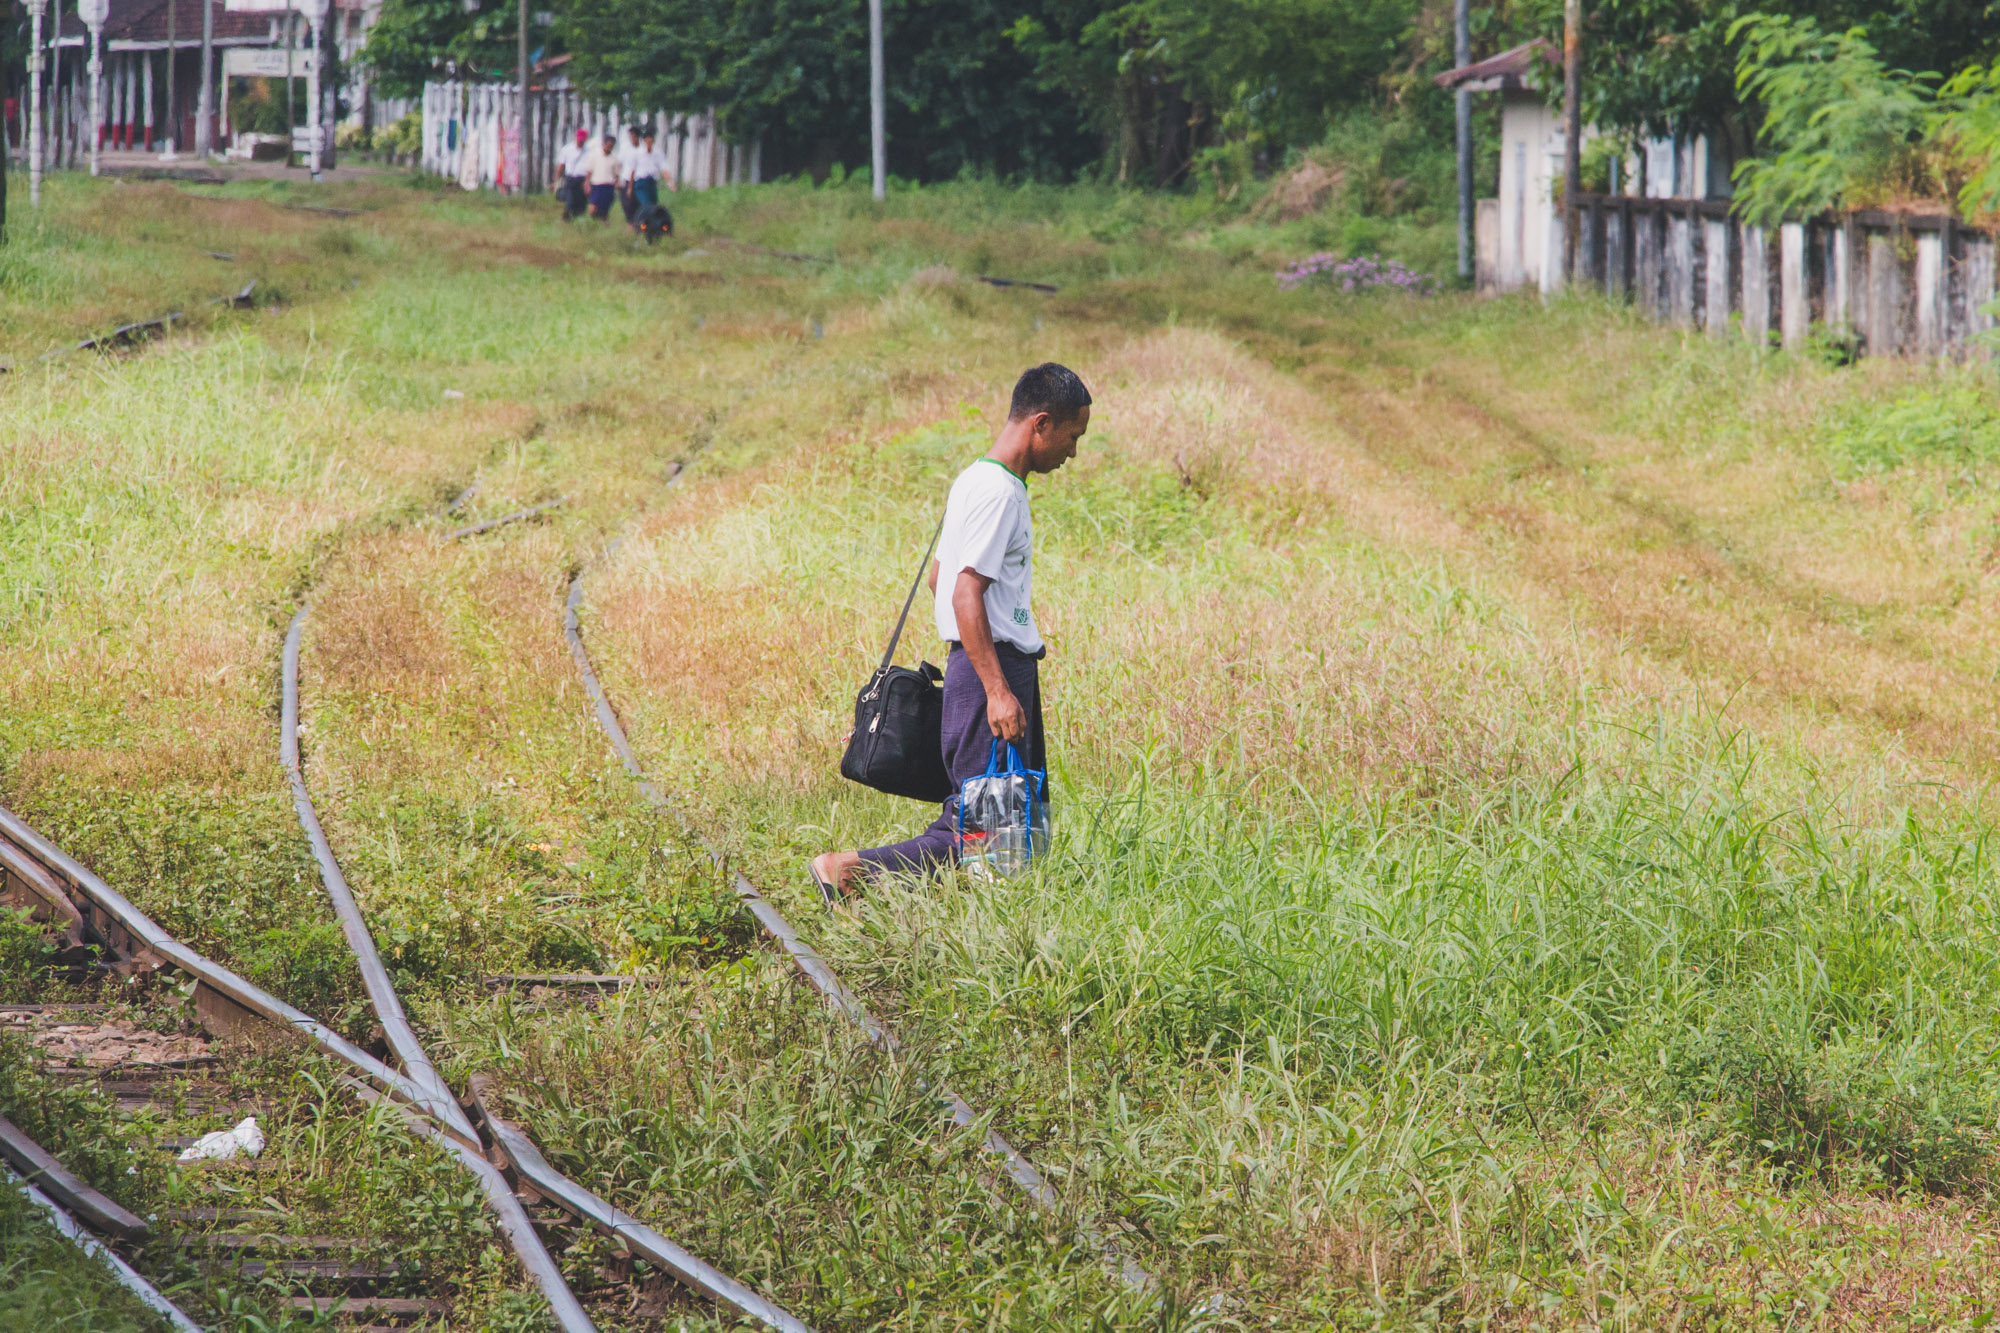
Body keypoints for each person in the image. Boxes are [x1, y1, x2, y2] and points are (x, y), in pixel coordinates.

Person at [810, 364, 1093, 901]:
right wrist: (996, 688)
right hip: (992, 670)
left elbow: (942, 577)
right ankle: (848, 870)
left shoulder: (974, 479)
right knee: (982, 830)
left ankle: (988, 927)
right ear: (1042, 423)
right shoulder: (1001, 494)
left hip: (981, 664)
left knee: (1010, 821)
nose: (1072, 453)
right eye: (1072, 437)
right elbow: (964, 593)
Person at [580, 132, 621, 221]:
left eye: (611, 146)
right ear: (603, 144)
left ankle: (602, 224)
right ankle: (591, 222)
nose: (609, 148)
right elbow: (589, 171)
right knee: (593, 208)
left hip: (608, 186)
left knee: (604, 209)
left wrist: (617, 184)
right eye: (608, 145)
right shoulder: (594, 156)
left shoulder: (615, 159)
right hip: (596, 185)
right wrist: (587, 184)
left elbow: (616, 175)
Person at [553, 127, 589, 220]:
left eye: (582, 140)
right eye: (579, 139)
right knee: (570, 200)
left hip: (583, 179)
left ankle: (579, 220)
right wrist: (556, 181)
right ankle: (565, 218)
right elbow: (561, 166)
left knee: (581, 201)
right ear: (576, 138)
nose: (580, 142)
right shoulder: (567, 149)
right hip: (570, 178)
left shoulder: (589, 151)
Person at [617, 124, 646, 225]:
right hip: (626, 179)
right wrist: (618, 179)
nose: (632, 138)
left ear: (638, 137)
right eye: (631, 136)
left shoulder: (643, 149)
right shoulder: (625, 148)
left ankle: (638, 224)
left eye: (634, 136)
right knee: (627, 204)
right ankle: (630, 224)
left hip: (639, 180)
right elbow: (620, 164)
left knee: (638, 204)